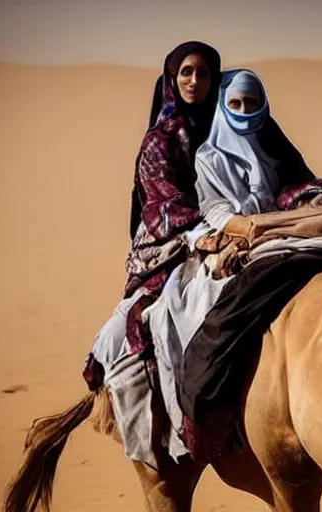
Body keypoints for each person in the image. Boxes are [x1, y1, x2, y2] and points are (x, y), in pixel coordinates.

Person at [144, 68, 322, 462]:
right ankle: (209, 410)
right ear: (223, 106)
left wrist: (309, 211)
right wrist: (254, 229)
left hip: (280, 236)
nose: (245, 111)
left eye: (252, 103)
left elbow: (296, 184)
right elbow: (216, 212)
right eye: (235, 103)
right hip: (229, 241)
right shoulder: (208, 155)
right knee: (203, 309)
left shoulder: (272, 143)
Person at [81, 41, 222, 469]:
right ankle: (161, 424)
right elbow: (163, 204)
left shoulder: (227, 126)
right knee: (151, 318)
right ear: (171, 79)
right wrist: (214, 227)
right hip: (169, 240)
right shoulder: (160, 141)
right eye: (185, 73)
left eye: (202, 73)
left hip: (230, 228)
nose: (194, 82)